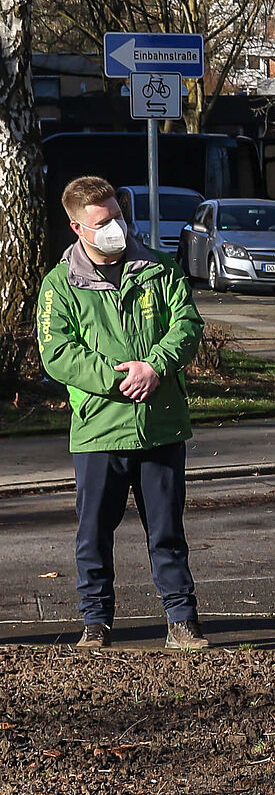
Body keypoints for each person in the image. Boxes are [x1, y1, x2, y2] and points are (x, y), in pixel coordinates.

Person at [36, 176, 208, 650]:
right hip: (99, 430)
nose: (115, 225)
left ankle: (182, 619)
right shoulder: (60, 284)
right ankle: (96, 622)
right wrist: (118, 377)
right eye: (102, 220)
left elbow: (187, 326)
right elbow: (58, 352)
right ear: (77, 227)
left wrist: (155, 367)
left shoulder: (159, 266)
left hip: (160, 424)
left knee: (167, 530)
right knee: (93, 532)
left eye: (117, 214)